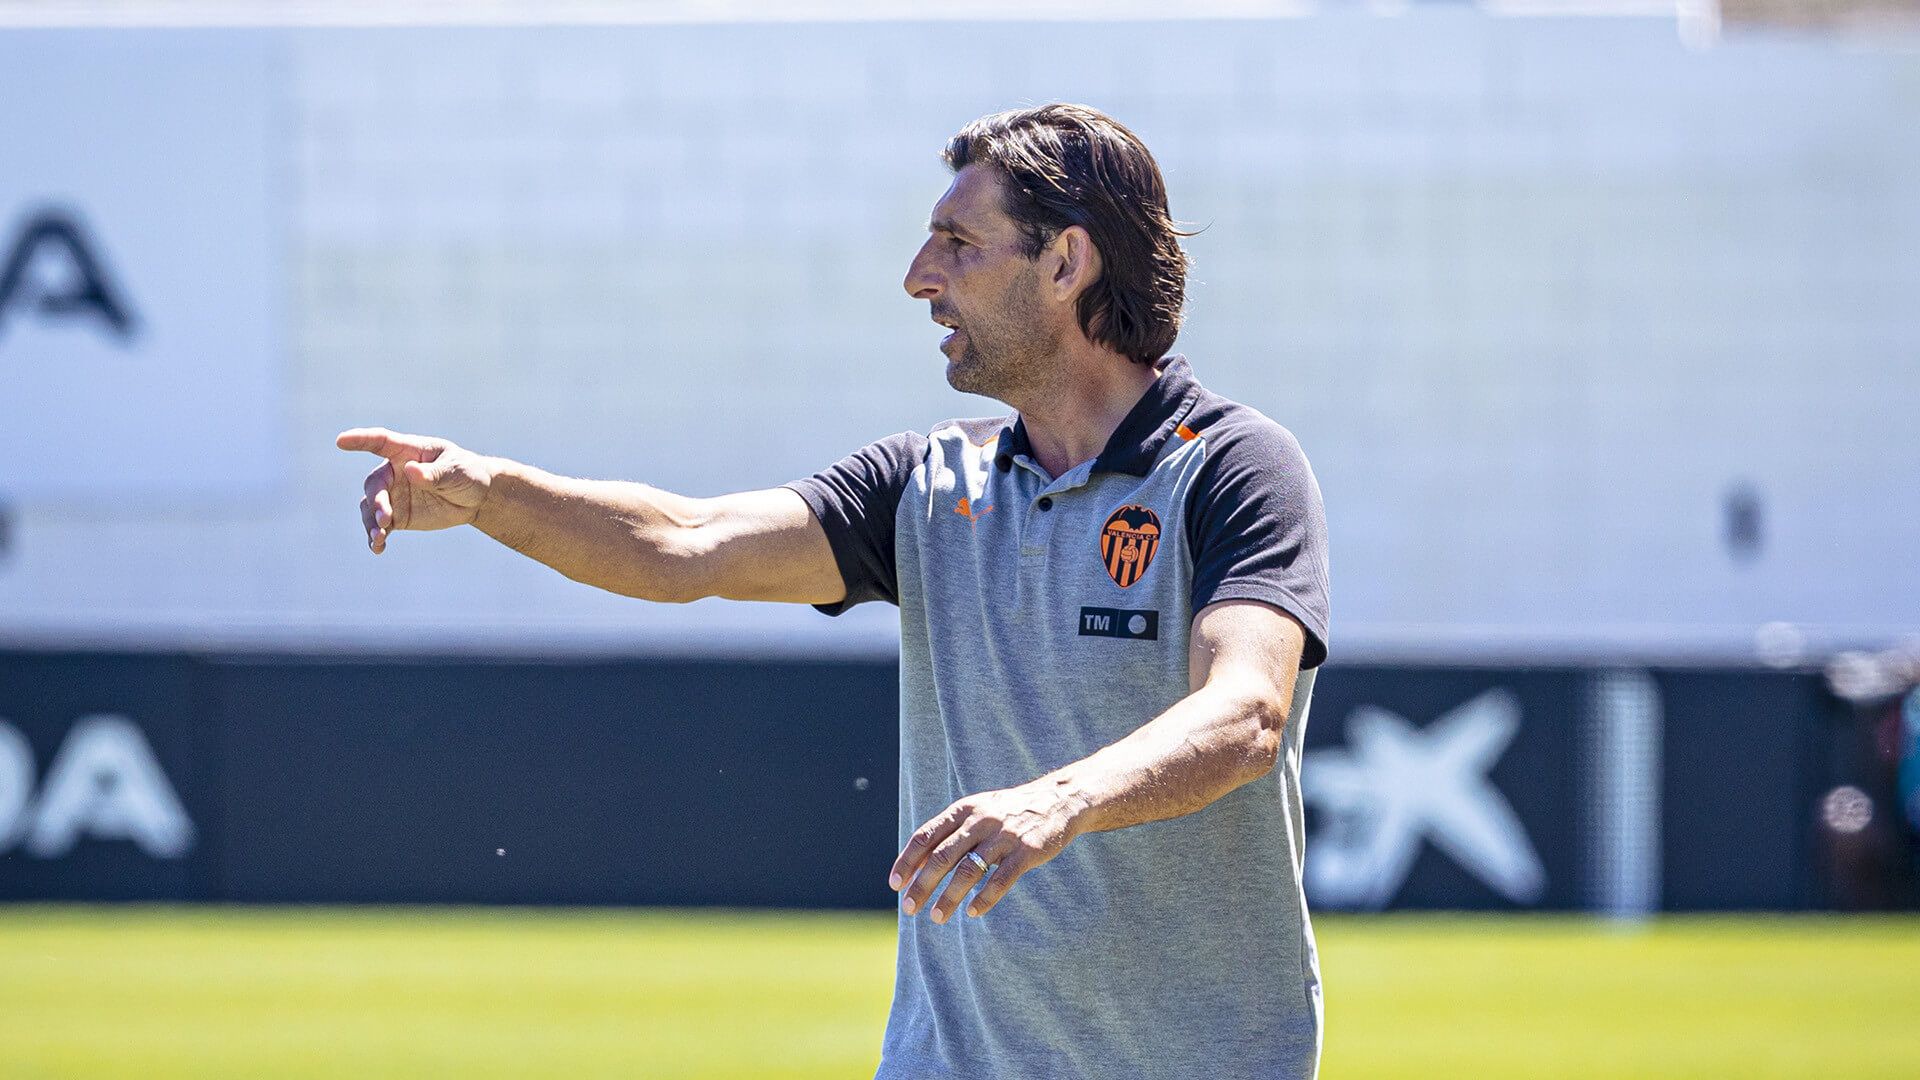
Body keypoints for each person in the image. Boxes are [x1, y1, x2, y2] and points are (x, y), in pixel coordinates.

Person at [339, 102, 1331, 1079]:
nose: (918, 278)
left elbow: (1245, 715)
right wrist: (489, 494)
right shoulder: (928, 482)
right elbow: (686, 544)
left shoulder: (1234, 467)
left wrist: (1058, 803)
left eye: (956, 242)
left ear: (1066, 263)